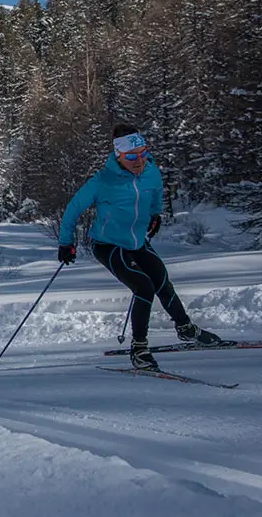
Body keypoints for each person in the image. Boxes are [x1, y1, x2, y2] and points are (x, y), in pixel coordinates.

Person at [58, 123, 221, 371]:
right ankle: (139, 348)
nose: (139, 160)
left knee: (162, 280)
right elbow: (72, 209)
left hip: (136, 242)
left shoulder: (151, 171)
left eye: (143, 153)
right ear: (119, 155)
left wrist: (156, 214)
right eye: (132, 156)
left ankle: (186, 328)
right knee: (143, 286)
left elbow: (156, 192)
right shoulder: (103, 180)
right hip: (108, 245)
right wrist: (65, 243)